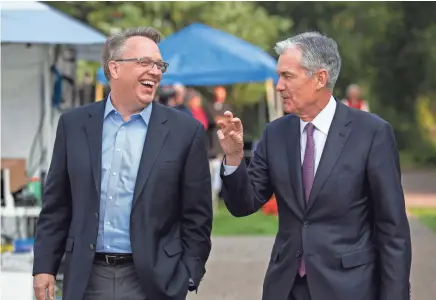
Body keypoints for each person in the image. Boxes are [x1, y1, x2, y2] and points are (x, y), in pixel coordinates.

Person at [217, 32, 411, 300]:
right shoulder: (275, 133)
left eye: (287, 76)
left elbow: (393, 231)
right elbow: (243, 205)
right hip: (286, 288)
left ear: (320, 78)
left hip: (350, 288)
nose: (278, 86)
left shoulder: (372, 133)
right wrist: (234, 157)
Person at [32, 27, 213, 300]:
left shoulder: (185, 131)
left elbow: (197, 216)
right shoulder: (74, 125)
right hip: (87, 277)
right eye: (144, 62)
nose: (155, 71)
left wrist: (187, 274)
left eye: (159, 64)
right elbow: (56, 205)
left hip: (154, 281)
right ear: (114, 68)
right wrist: (44, 266)